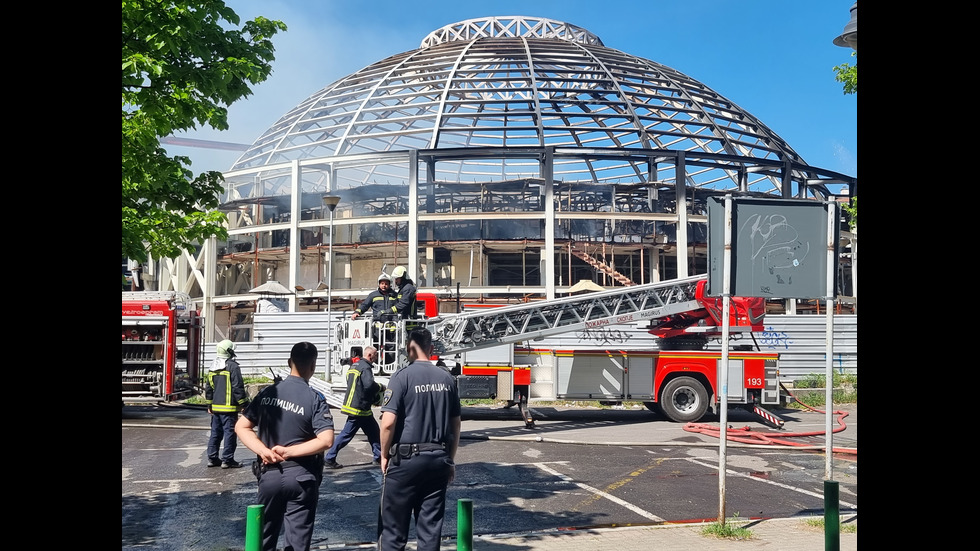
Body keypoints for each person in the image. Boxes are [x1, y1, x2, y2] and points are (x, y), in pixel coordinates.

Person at [235, 342, 335, 551]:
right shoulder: (314, 398)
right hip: (301, 477)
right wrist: (289, 451)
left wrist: (263, 450)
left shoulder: (267, 393)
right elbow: (326, 440)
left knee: (262, 539)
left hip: (269, 473)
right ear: (313, 365)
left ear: (290, 362)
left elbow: (242, 426)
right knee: (297, 543)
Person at [377, 327, 461, 551]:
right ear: (431, 349)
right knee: (430, 531)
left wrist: (384, 455)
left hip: (405, 462)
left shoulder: (401, 377)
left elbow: (387, 423)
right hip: (438, 460)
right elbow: (456, 424)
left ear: (408, 349)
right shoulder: (447, 379)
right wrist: (450, 459)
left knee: (393, 532)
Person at [323, 346, 384, 469]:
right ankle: (329, 458)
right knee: (346, 435)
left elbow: (352, 383)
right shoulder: (366, 367)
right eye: (376, 355)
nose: (377, 357)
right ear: (370, 355)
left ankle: (378, 457)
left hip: (359, 407)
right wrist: (380, 387)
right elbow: (368, 385)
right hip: (359, 408)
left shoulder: (354, 366)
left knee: (374, 433)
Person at [205, 339, 249, 469]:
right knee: (230, 433)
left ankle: (212, 458)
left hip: (216, 408)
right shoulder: (233, 367)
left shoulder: (213, 366)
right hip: (229, 409)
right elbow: (237, 387)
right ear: (229, 351)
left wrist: (209, 406)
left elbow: (209, 388)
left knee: (215, 433)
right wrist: (244, 404)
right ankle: (227, 460)